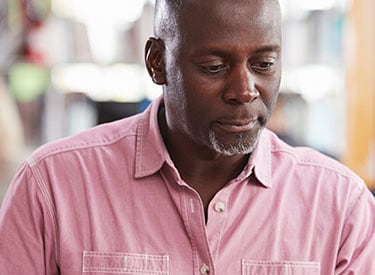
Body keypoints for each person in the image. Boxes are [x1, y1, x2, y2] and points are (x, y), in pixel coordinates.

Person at [0, 0, 374, 274]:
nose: (244, 90)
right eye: (214, 67)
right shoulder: (51, 186)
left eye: (264, 64)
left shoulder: (340, 205)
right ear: (157, 63)